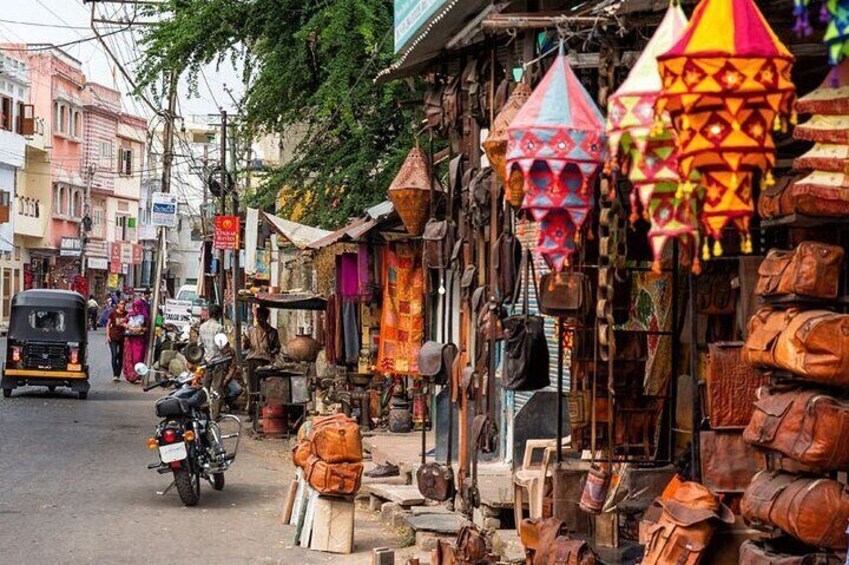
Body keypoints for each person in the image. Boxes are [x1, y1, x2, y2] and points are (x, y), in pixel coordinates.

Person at [242, 306, 280, 418]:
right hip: (253, 361)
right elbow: (246, 347)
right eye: (258, 317)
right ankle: (252, 413)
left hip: (266, 362)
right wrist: (246, 342)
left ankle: (264, 412)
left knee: (265, 388)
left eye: (262, 317)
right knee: (253, 388)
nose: (260, 319)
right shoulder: (251, 330)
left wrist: (273, 350)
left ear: (266, 317)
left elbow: (277, 347)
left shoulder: (272, 332)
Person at [122, 297, 149, 384]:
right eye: (135, 306)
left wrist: (141, 329)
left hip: (140, 341)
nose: (136, 309)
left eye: (138, 307)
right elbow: (122, 322)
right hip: (130, 339)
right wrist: (129, 327)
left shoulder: (145, 316)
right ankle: (131, 376)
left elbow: (148, 328)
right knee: (131, 358)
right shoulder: (130, 314)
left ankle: (138, 374)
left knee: (139, 358)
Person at [106, 300, 127, 382]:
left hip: (123, 338)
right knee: (114, 355)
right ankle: (115, 374)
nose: (123, 305)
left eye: (124, 304)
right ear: (118, 305)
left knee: (120, 356)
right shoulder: (113, 314)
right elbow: (108, 325)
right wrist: (107, 336)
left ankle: (118, 374)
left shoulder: (126, 314)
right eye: (121, 304)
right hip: (113, 337)